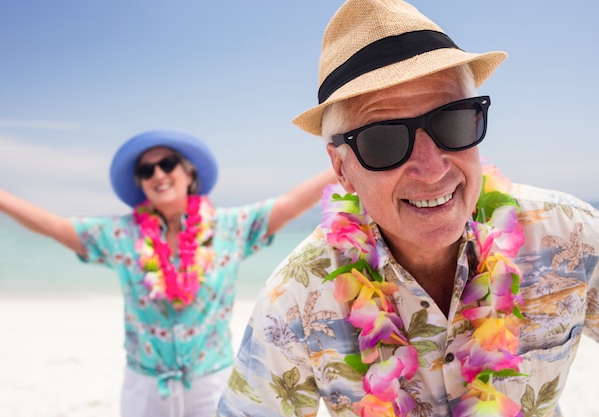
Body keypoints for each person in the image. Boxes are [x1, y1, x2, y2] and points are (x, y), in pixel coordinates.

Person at [215, 1, 599, 416]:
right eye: (384, 141)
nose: (432, 170)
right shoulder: (296, 299)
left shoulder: (570, 234)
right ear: (341, 169)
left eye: (452, 121)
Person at [0, 129, 336, 417]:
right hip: (145, 385)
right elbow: (52, 225)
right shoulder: (121, 234)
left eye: (167, 164)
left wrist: (343, 159)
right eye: (147, 170)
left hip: (212, 379)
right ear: (140, 184)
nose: (158, 174)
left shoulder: (229, 227)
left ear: (187, 172)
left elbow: (289, 204)